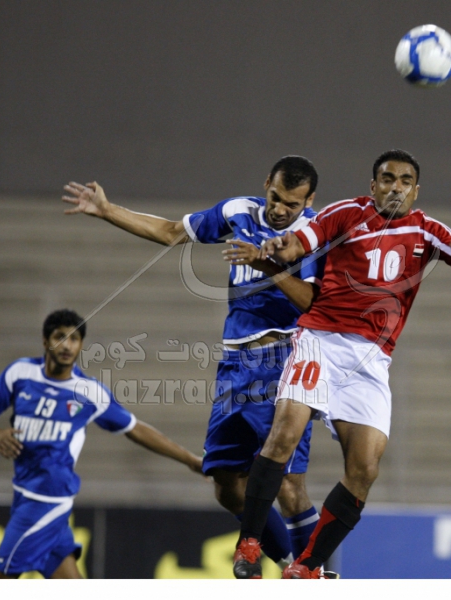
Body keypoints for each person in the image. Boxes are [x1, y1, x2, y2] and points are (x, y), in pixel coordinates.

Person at [228, 148, 451, 578]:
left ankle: (306, 567)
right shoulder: (346, 213)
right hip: (320, 339)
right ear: (373, 186)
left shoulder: (428, 231)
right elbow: (299, 243)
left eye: (405, 181)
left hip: (371, 359)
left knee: (365, 468)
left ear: (416, 190)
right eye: (387, 179)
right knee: (284, 435)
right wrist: (279, 246)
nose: (396, 187)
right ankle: (249, 545)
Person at [61, 156, 324, 568]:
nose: (279, 209)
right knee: (225, 482)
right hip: (235, 364)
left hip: (284, 361)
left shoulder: (315, 233)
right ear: (266, 184)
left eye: (291, 204)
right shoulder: (239, 211)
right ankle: (293, 566)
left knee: (288, 485)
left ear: (308, 201)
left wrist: (265, 264)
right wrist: (108, 211)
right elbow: (170, 232)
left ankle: (312, 575)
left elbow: (311, 301)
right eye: (275, 197)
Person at [0, 309, 203, 579]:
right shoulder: (20, 373)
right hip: (23, 494)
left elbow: (135, 429)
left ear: (81, 345)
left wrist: (190, 460)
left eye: (74, 339)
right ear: (45, 341)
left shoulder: (88, 392)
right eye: (60, 337)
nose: (67, 345)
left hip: (47, 501)